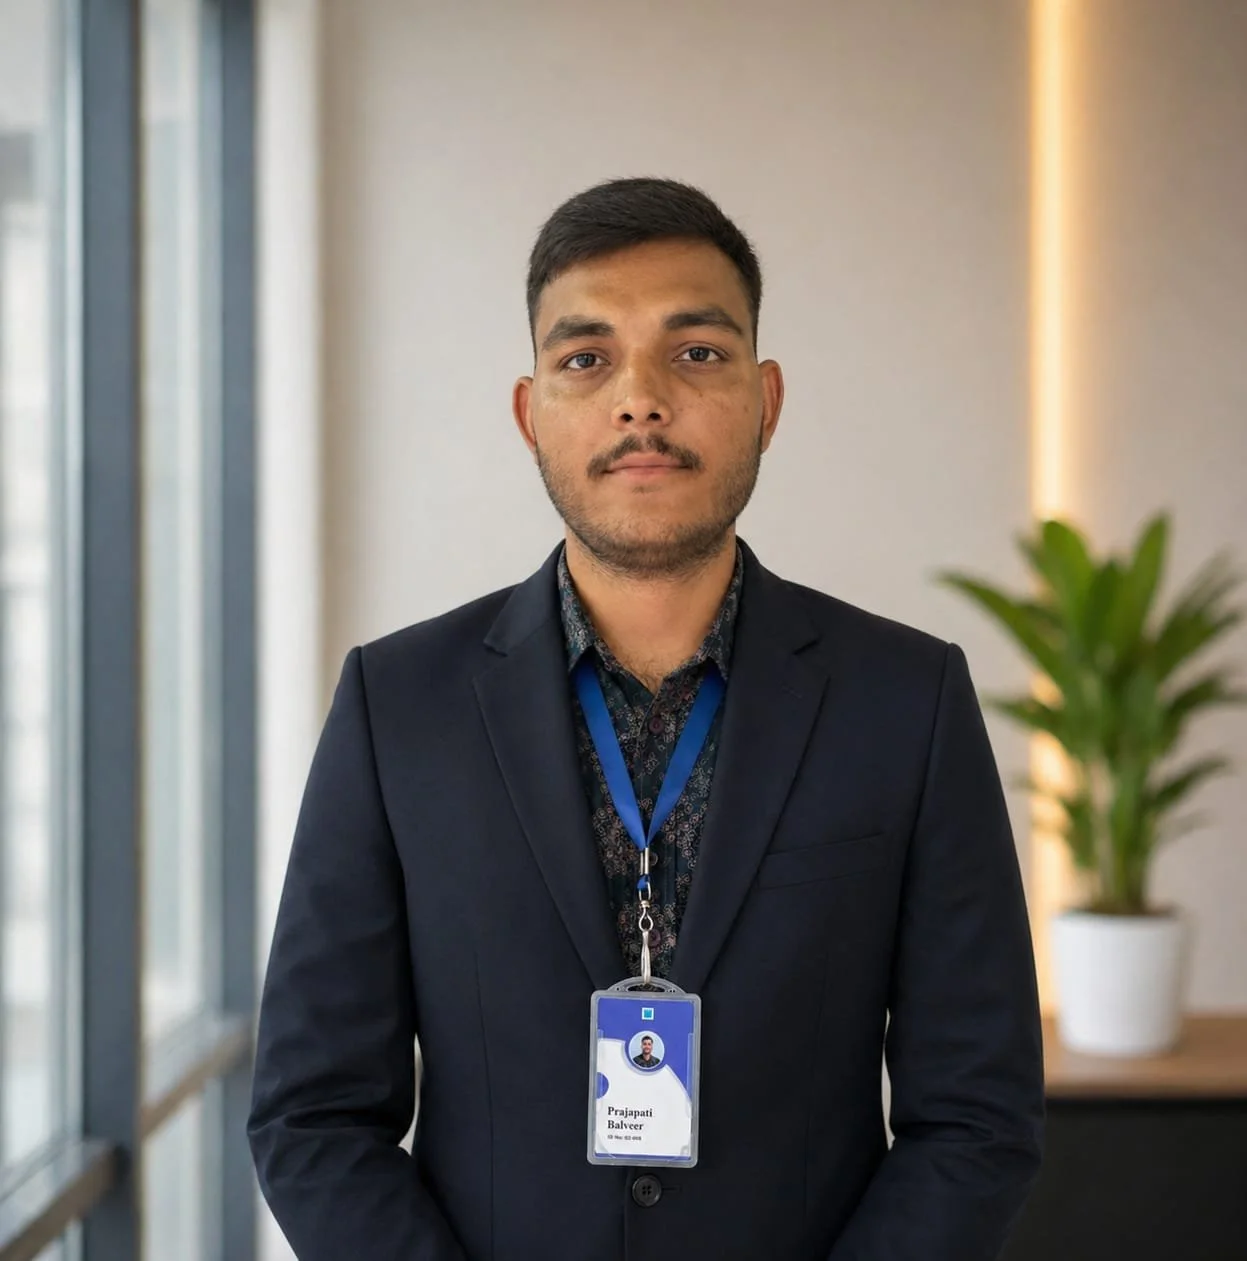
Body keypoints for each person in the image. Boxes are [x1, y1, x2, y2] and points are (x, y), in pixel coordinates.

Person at [249, 177, 1044, 1261]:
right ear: (529, 413)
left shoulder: (906, 700)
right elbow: (314, 1115)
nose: (640, 400)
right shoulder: (398, 706)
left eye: (696, 352)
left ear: (765, 401)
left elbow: (976, 1114)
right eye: (586, 359)